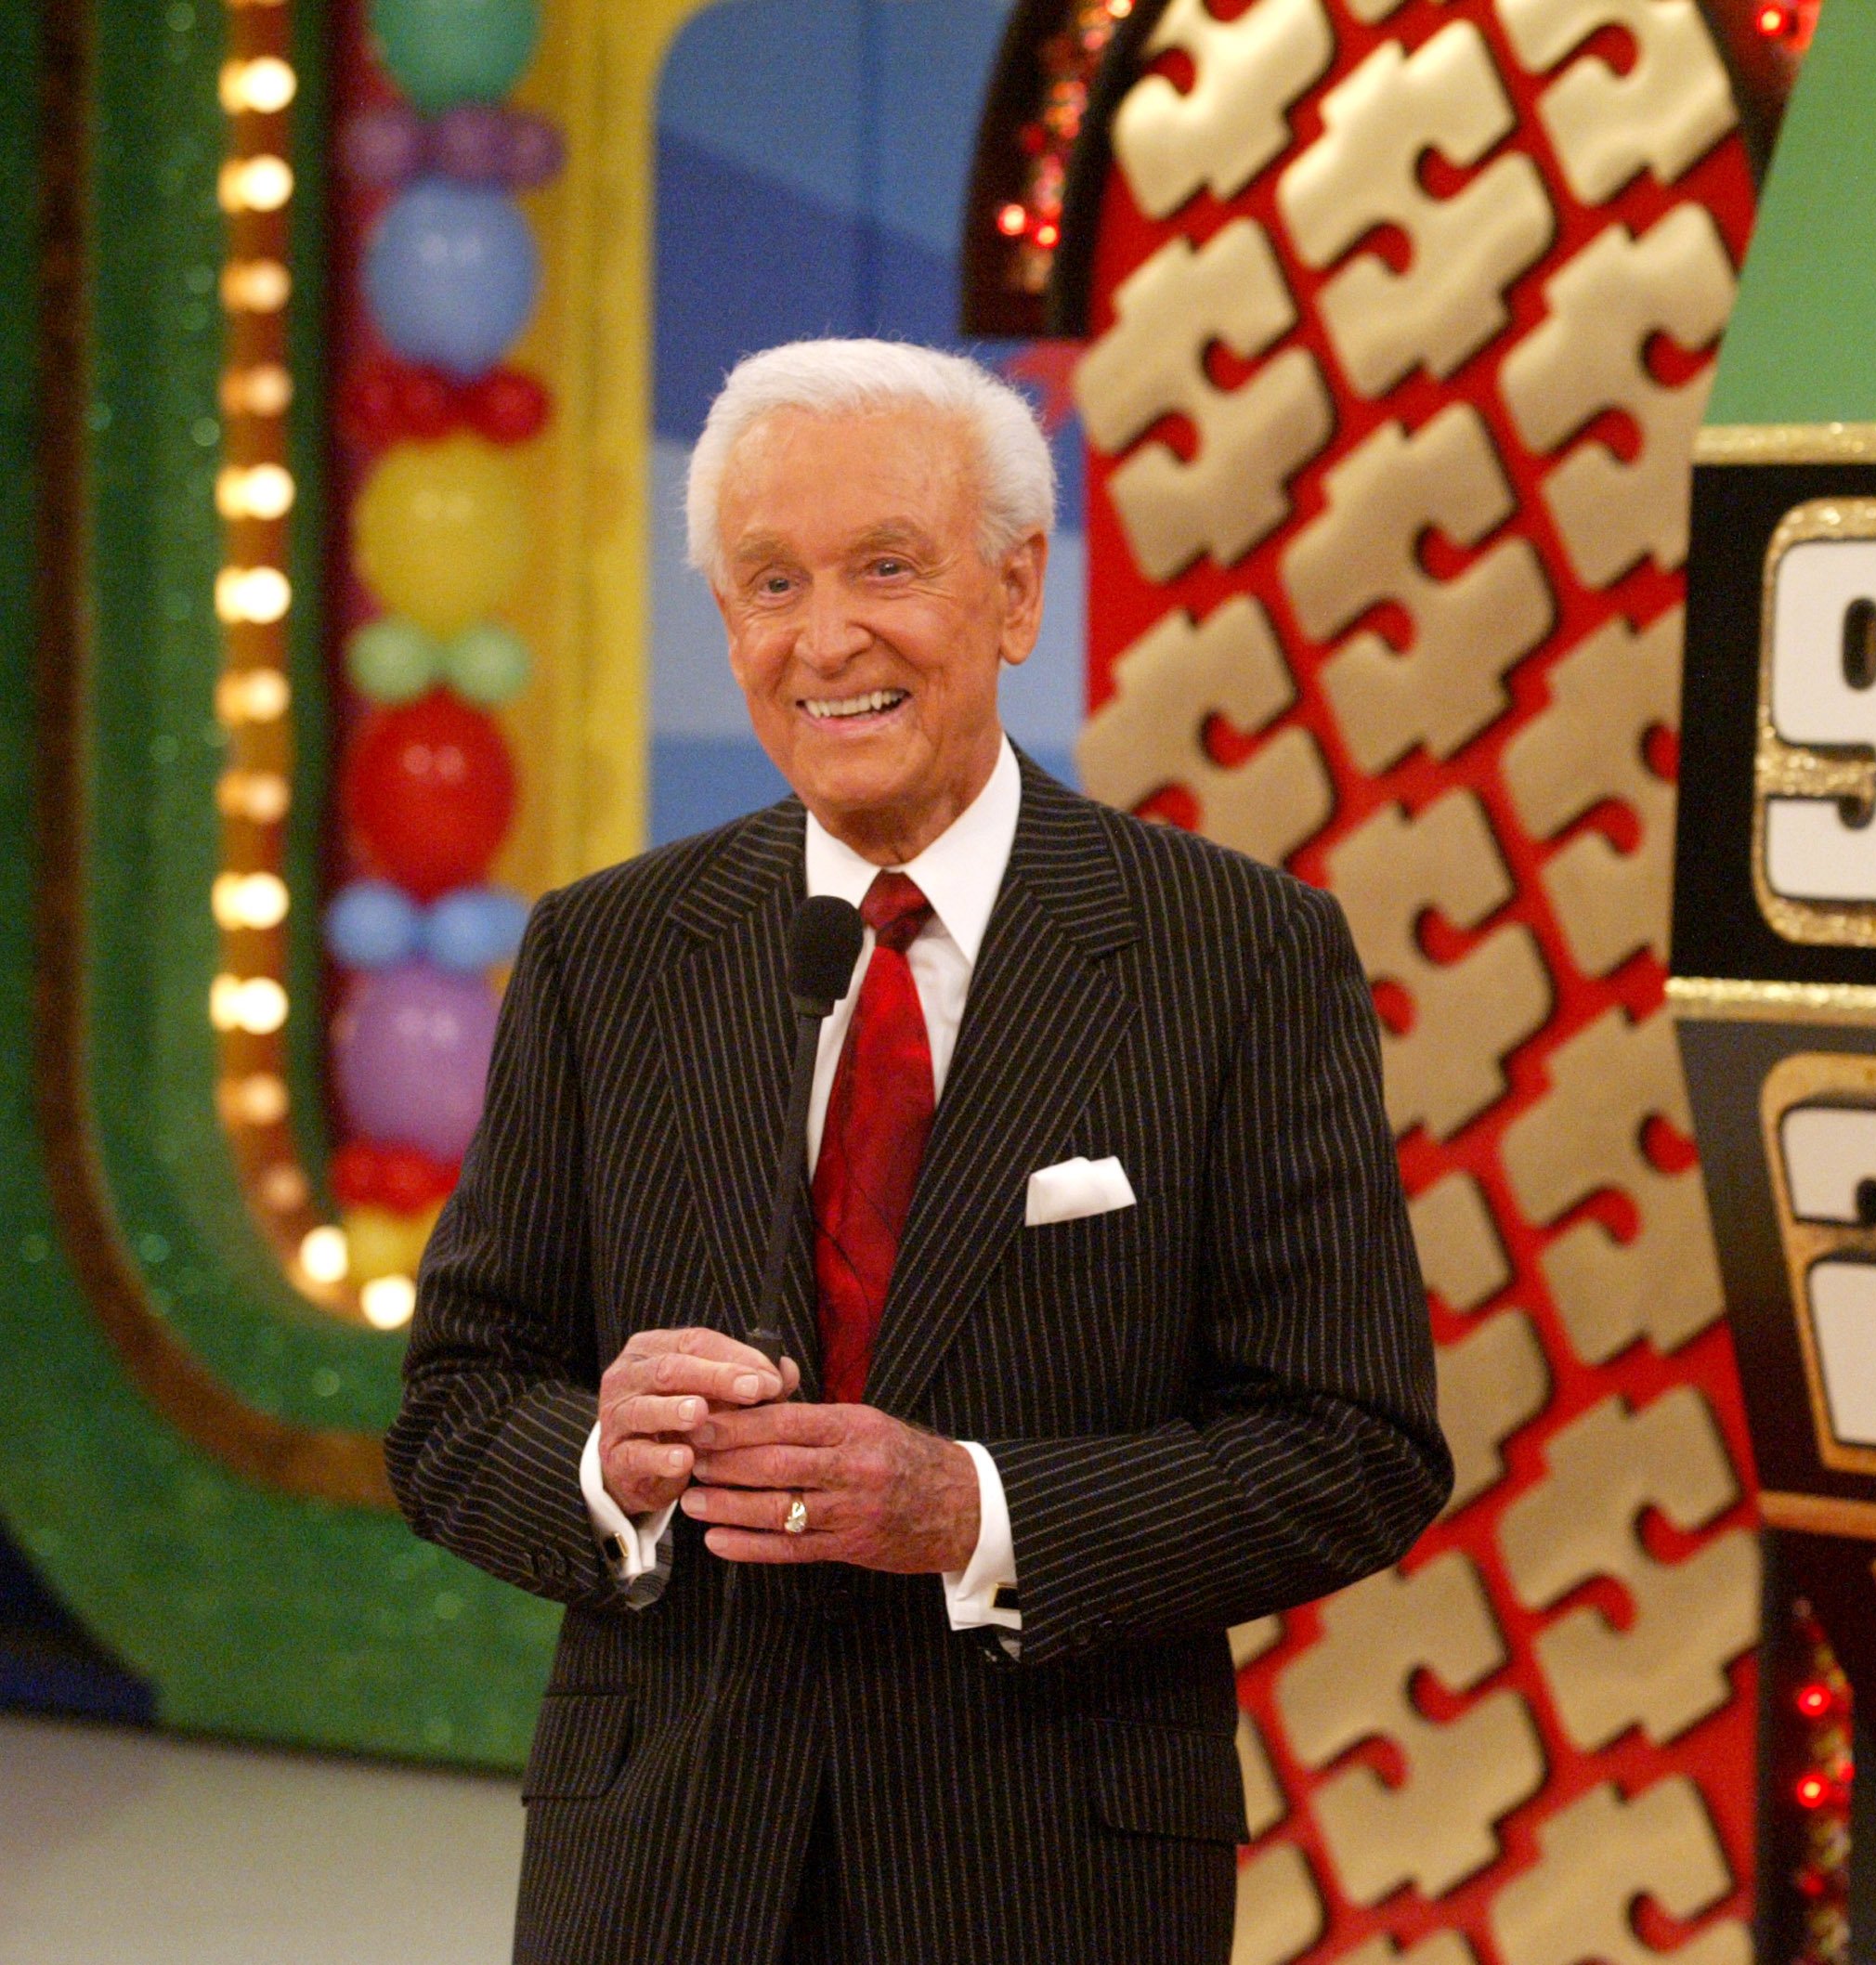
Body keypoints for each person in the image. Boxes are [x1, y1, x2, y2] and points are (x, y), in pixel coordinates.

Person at [386, 337, 1450, 1964]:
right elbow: (457, 1407)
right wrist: (610, 1464)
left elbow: (1353, 1448)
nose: (828, 640)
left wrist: (974, 1508)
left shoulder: (1235, 955)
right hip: (662, 1868)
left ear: (1018, 594)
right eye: (770, 584)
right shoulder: (609, 953)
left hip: (1045, 1869)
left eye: (890, 566)